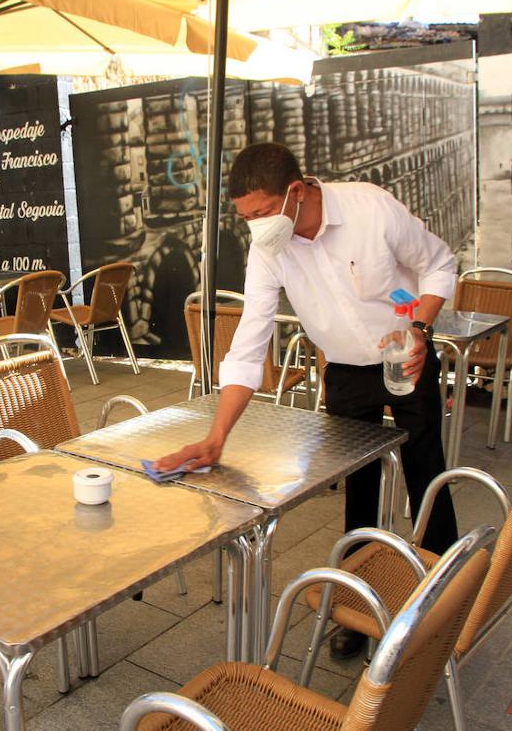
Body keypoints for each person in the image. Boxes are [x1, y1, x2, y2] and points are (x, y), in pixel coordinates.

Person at [155, 142, 459, 659]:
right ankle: (359, 609)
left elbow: (438, 264)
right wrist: (216, 437)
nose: (257, 226)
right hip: (343, 367)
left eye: (263, 212)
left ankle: (447, 592)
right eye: (246, 218)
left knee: (426, 471)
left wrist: (420, 328)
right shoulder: (268, 248)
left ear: (296, 192)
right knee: (358, 486)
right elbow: (250, 341)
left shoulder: (370, 208)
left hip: (405, 351)